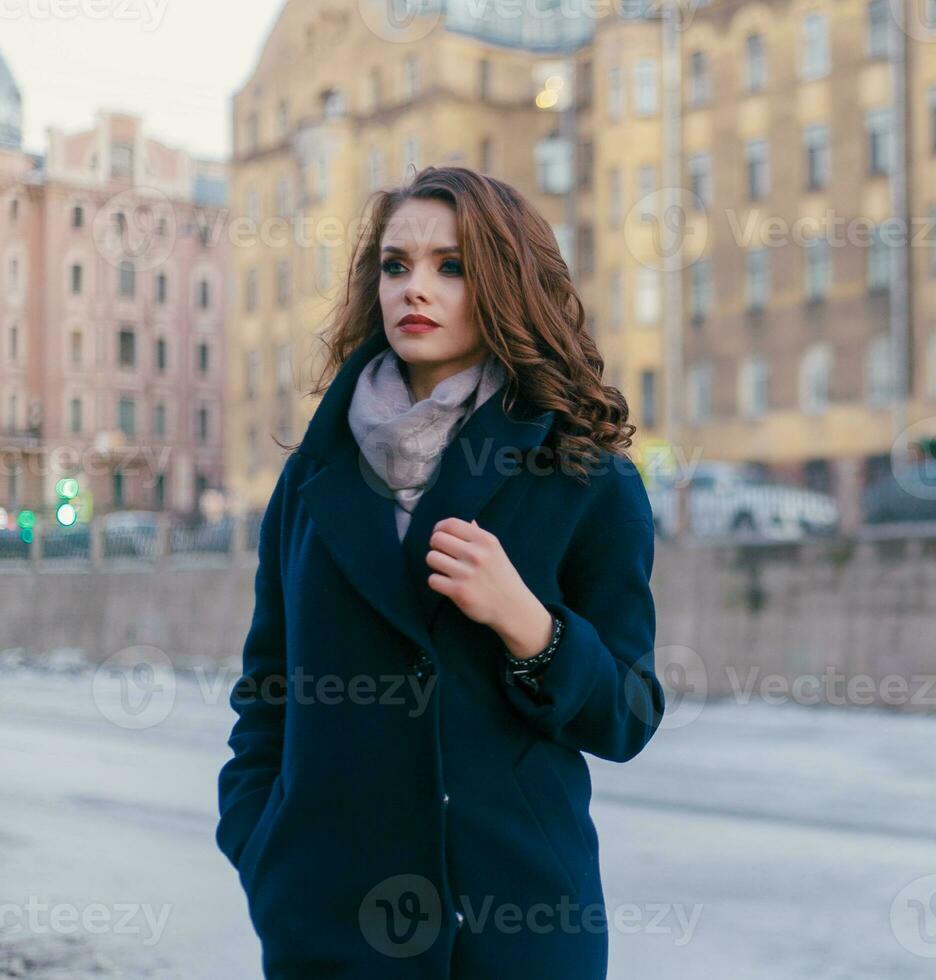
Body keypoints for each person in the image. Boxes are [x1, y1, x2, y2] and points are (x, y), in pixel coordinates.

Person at [214, 166, 665, 978]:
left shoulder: (584, 475)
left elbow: (628, 716)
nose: (414, 288)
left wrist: (530, 624)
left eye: (448, 266)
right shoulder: (313, 478)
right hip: (332, 931)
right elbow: (266, 696)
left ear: (503, 280)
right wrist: (264, 851)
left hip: (514, 926)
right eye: (396, 265)